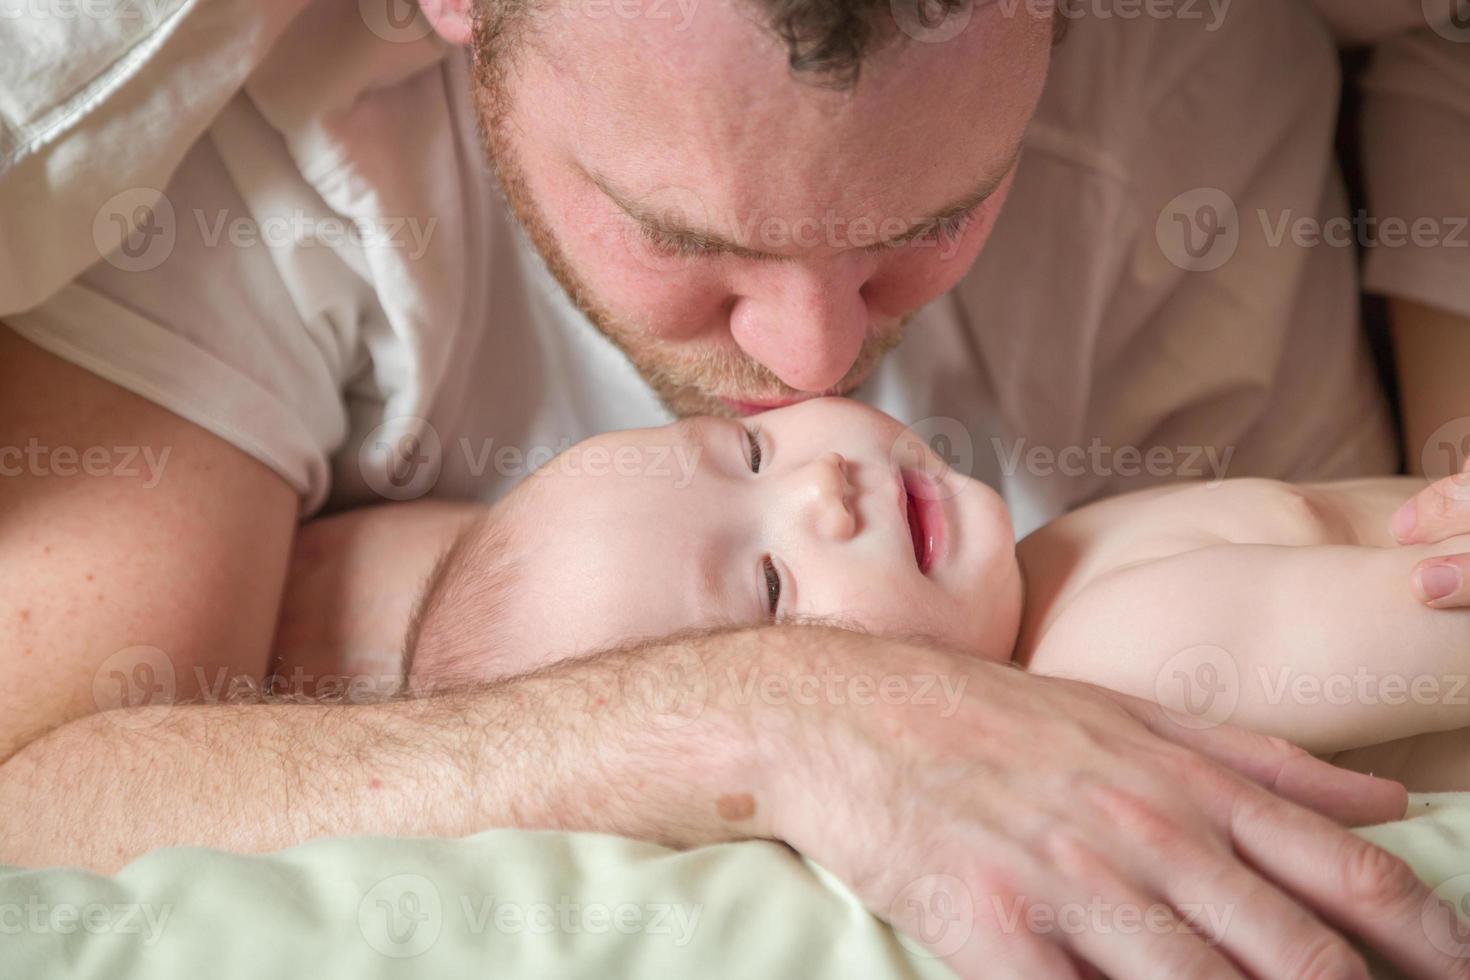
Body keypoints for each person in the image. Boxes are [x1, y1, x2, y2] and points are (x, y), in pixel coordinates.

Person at [2, 1, 1469, 977]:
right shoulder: (233, 175)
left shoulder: (1208, 70)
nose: (817, 360)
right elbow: (37, 805)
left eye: (937, 217)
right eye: (678, 238)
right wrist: (764, 713)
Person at [271, 398, 1470, 791]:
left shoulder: (1058, 571)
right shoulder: (1113, 663)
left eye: (746, 454)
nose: (822, 490)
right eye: (775, 588)